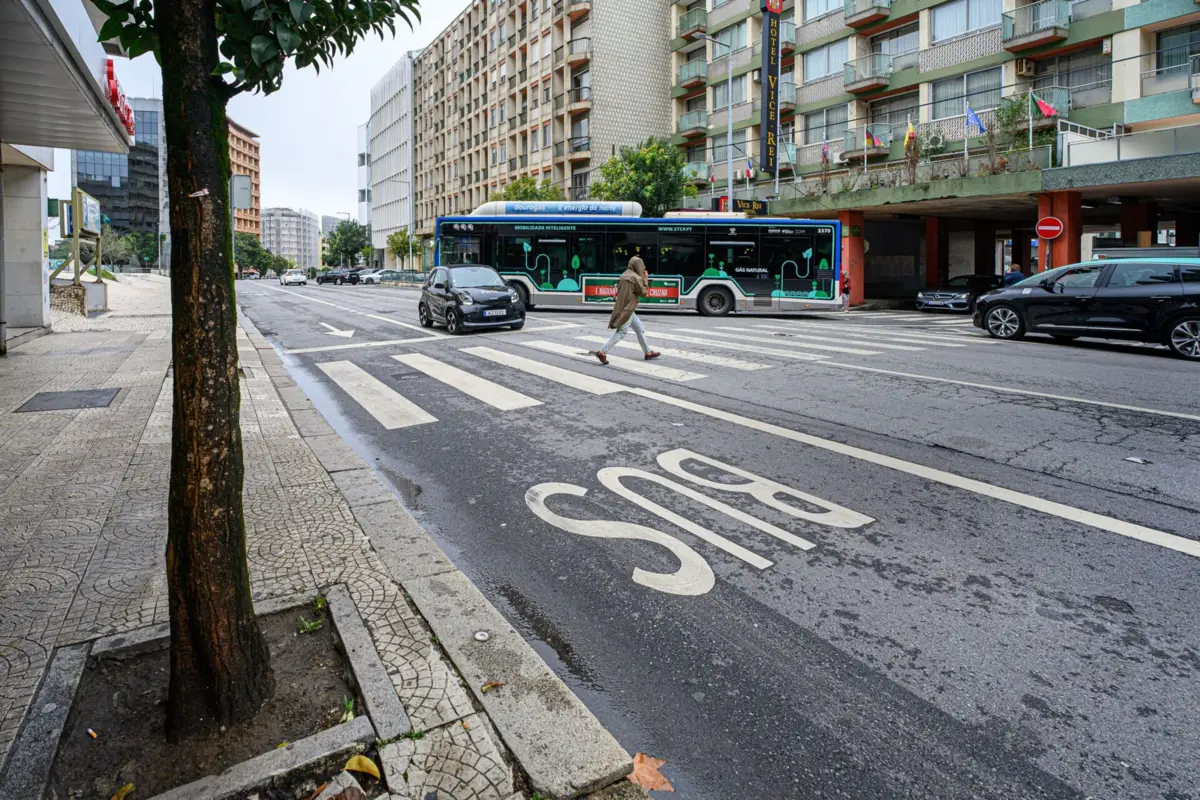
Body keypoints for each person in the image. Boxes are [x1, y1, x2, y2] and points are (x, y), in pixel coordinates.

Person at [595, 256, 661, 364]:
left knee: (639, 328)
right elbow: (643, 293)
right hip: (628, 308)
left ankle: (648, 352)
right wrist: (645, 279)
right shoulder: (635, 278)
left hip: (623, 306)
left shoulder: (623, 275)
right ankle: (603, 351)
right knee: (621, 332)